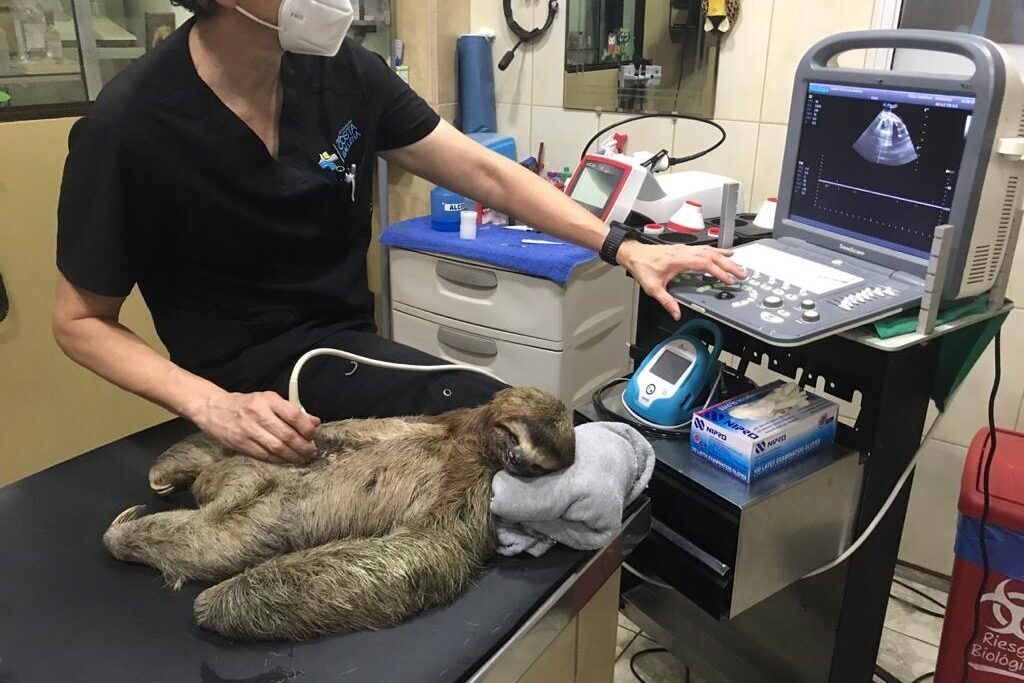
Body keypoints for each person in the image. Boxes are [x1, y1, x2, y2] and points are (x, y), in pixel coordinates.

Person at [52, 0, 745, 465]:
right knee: (517, 437)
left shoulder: (342, 72)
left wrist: (623, 246)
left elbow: (488, 173)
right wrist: (210, 404)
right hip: (248, 393)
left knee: (539, 438)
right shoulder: (130, 127)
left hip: (345, 354)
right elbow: (80, 320)